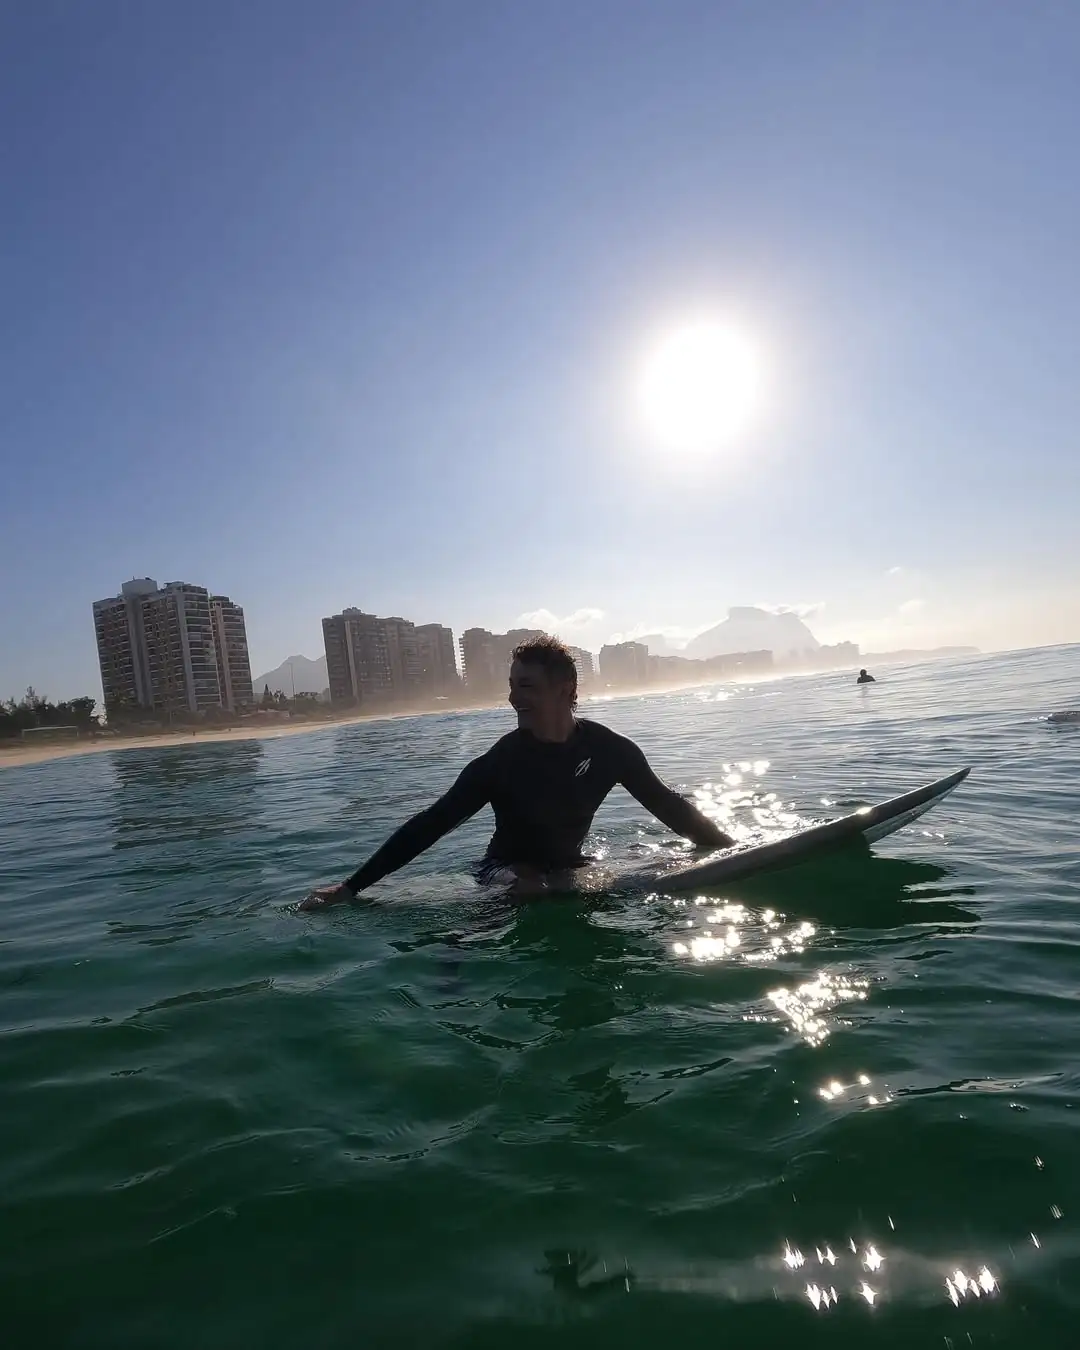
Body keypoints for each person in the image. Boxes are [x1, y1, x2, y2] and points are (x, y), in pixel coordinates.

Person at [301, 634, 734, 909]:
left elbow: (667, 805)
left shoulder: (610, 749)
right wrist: (352, 887)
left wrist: (730, 851)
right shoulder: (500, 762)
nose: (513, 697)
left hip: (570, 865)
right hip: (504, 870)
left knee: (643, 877)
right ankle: (459, 953)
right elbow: (430, 825)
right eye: (511, 686)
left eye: (525, 685)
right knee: (529, 888)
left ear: (565, 688)